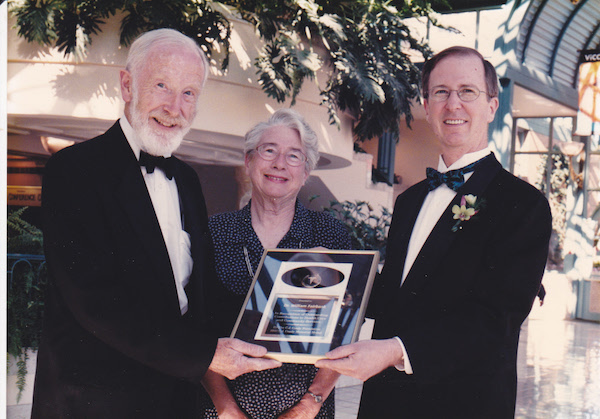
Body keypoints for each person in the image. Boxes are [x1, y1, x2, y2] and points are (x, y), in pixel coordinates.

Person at [32, 28, 280, 418]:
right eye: (162, 85)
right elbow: (94, 301)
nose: (174, 107)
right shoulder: (74, 170)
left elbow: (201, 294)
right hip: (96, 403)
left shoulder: (186, 180)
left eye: (188, 93)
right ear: (128, 85)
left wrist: (287, 311)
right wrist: (203, 355)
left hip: (175, 400)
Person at [316, 46, 552, 418]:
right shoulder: (409, 201)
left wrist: (395, 350)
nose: (452, 104)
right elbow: (398, 293)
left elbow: (496, 319)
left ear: (492, 106)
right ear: (426, 107)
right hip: (386, 402)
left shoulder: (524, 204)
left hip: (464, 404)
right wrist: (327, 282)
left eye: (467, 91)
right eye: (441, 92)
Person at [200, 108, 352, 418]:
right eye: (269, 151)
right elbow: (196, 329)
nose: (279, 164)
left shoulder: (330, 234)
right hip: (220, 410)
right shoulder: (214, 232)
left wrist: (309, 406)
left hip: (308, 411)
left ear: (306, 171)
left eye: (294, 156)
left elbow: (344, 332)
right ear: (249, 160)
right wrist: (226, 409)